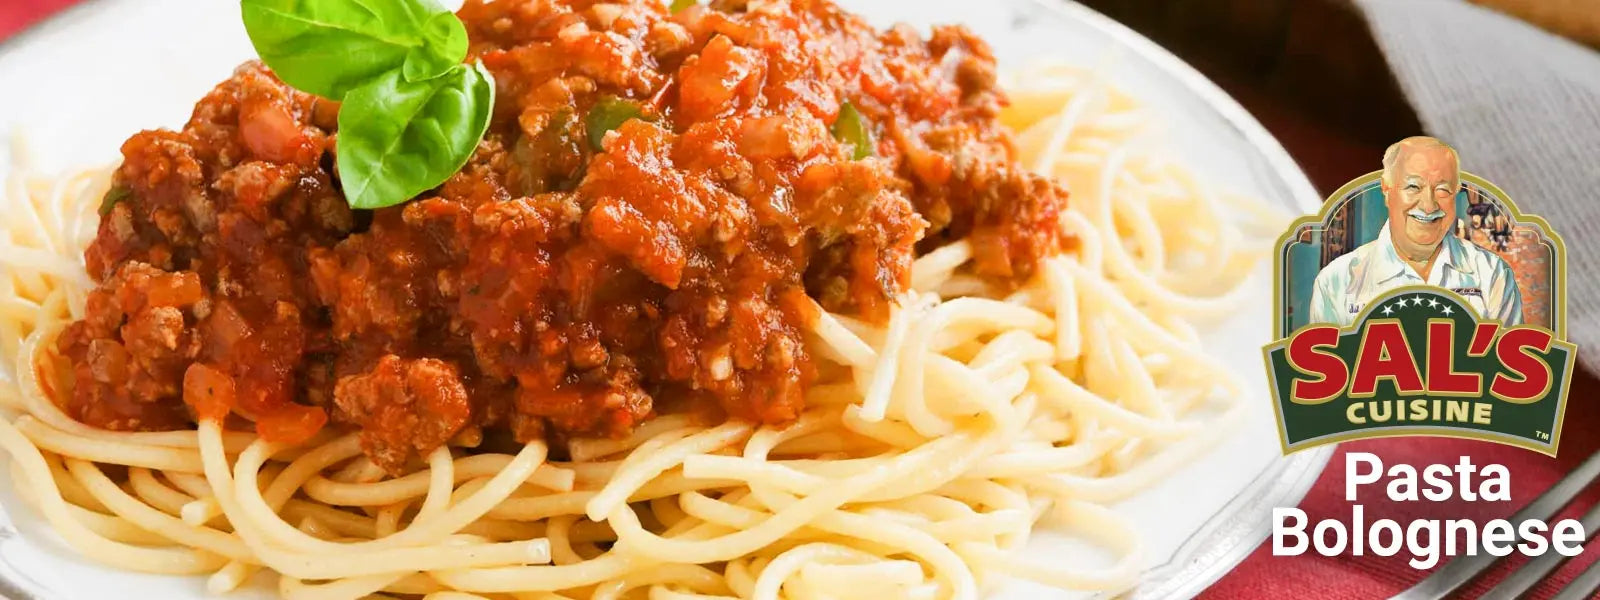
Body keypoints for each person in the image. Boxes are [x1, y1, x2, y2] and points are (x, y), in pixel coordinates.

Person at [1309, 136, 1522, 325]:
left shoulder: (1492, 273)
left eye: (1443, 189)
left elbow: (1512, 367)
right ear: (1386, 188)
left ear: (1457, 191)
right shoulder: (1336, 280)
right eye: (1413, 187)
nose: (1428, 206)